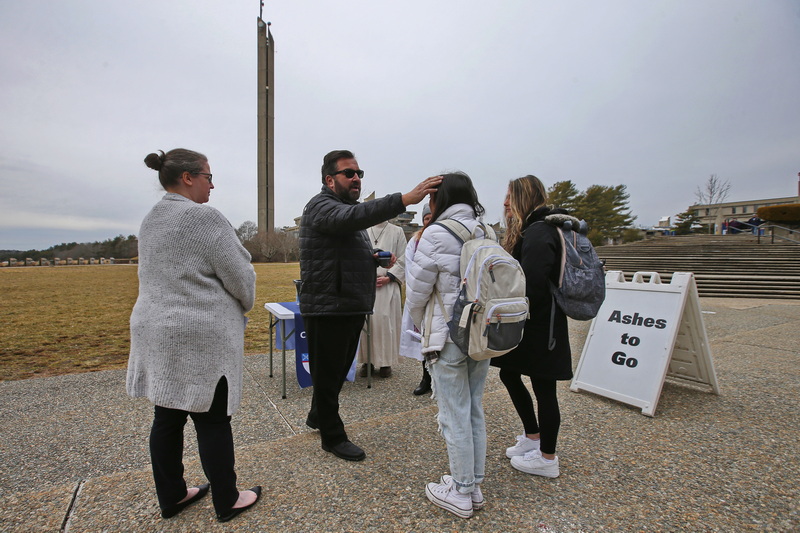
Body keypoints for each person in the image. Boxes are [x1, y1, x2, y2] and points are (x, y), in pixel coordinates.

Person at [127, 149, 261, 522]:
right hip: (198, 335)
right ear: (187, 177)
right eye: (207, 176)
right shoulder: (204, 218)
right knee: (213, 419)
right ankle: (227, 499)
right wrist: (246, 300)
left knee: (166, 418)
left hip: (155, 332)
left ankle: (171, 495)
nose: (212, 184)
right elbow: (240, 278)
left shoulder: (151, 219)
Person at [299, 149, 441, 462]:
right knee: (328, 375)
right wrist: (405, 198)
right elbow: (352, 218)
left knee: (334, 373)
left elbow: (343, 244)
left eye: (359, 173)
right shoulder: (322, 205)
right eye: (348, 173)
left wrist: (374, 255)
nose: (356, 179)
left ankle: (317, 417)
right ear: (329, 179)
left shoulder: (344, 210)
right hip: (329, 306)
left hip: (348, 304)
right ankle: (332, 437)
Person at [405, 172, 490, 519]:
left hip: (447, 335)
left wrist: (415, 320)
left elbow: (417, 292)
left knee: (453, 413)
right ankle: (474, 484)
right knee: (473, 409)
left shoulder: (435, 234)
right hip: (481, 334)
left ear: (439, 199)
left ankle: (461, 490)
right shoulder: (486, 231)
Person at [490, 175, 573, 479]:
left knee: (544, 386)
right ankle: (533, 437)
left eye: (510, 196)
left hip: (540, 322)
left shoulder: (539, 231)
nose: (505, 203)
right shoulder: (536, 228)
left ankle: (547, 457)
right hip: (535, 319)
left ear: (523, 197)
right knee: (509, 373)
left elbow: (534, 283)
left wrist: (510, 309)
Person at [357, 218, 407, 378]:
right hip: (366, 285)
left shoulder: (397, 231)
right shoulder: (363, 229)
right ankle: (368, 361)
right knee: (367, 323)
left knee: (386, 323)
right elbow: (357, 255)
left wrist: (389, 277)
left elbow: (404, 259)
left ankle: (386, 362)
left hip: (388, 285)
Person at [399, 203, 433, 395]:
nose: (429, 221)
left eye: (432, 218)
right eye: (426, 219)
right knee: (423, 340)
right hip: (421, 297)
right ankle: (425, 378)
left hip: (439, 300)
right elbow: (411, 269)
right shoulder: (415, 241)